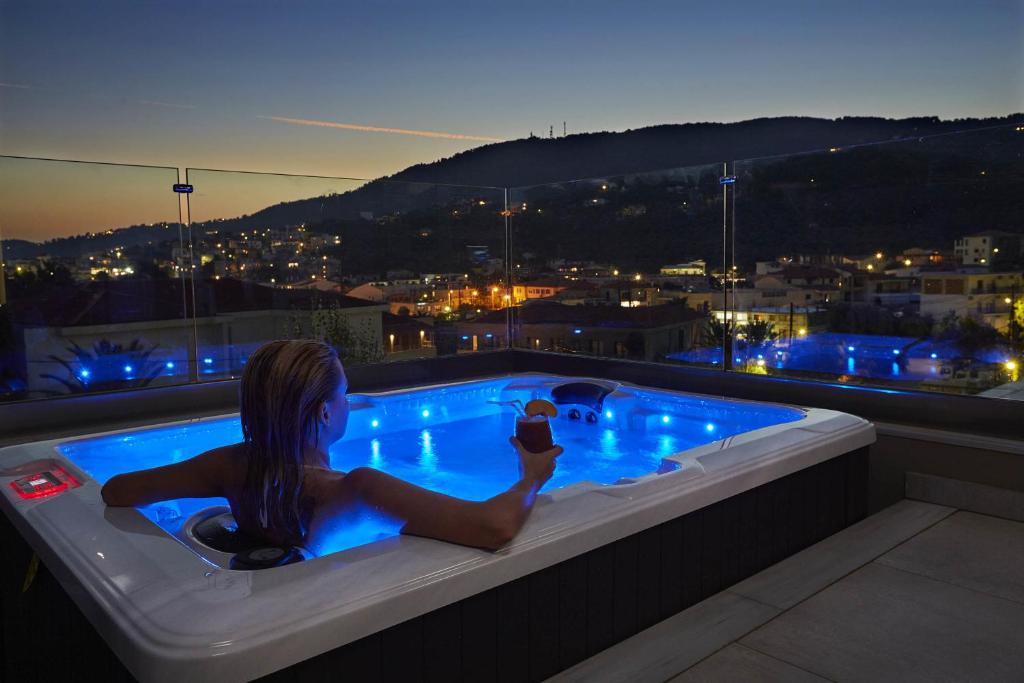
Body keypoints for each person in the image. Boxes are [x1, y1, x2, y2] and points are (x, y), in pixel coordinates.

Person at [101, 340, 563, 553]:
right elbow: (493, 527)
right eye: (344, 393)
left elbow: (117, 490)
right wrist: (532, 477)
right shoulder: (355, 490)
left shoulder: (232, 466)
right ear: (324, 412)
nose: (349, 403)